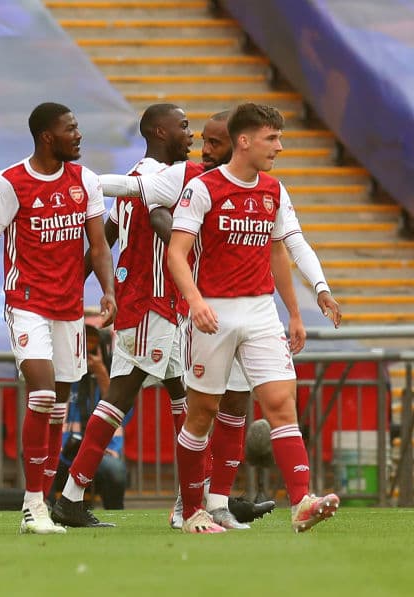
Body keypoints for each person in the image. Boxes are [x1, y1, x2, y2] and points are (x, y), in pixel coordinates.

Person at [101, 111, 342, 529]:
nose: (279, 147)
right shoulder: (200, 188)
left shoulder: (273, 190)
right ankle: (192, 511)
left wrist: (315, 292)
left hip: (260, 311)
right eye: (272, 138)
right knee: (201, 413)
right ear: (245, 141)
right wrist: (195, 302)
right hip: (212, 312)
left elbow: (287, 247)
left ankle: (301, 502)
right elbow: (176, 252)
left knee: (281, 404)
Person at [0, 102, 116, 535]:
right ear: (48, 137)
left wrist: (107, 289)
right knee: (43, 395)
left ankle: (44, 503)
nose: (79, 135)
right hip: (27, 303)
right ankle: (33, 504)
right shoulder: (10, 182)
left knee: (57, 409)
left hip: (69, 309)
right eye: (71, 129)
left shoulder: (85, 181)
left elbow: (98, 246)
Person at [51, 103, 192, 528]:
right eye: (184, 126)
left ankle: (194, 500)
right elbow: (155, 217)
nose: (191, 134)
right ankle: (71, 496)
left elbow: (108, 235)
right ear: (160, 132)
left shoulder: (139, 178)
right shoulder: (154, 182)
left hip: (153, 304)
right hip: (152, 305)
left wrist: (80, 283)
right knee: (121, 397)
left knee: (186, 398)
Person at [50, 323, 129, 510]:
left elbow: (122, 415)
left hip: (103, 454)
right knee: (44, 460)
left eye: (92, 343)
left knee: (116, 471)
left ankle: (115, 514)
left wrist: (101, 372)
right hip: (63, 451)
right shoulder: (64, 376)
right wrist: (71, 366)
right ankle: (47, 510)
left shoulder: (114, 379)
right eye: (82, 344)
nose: (87, 350)